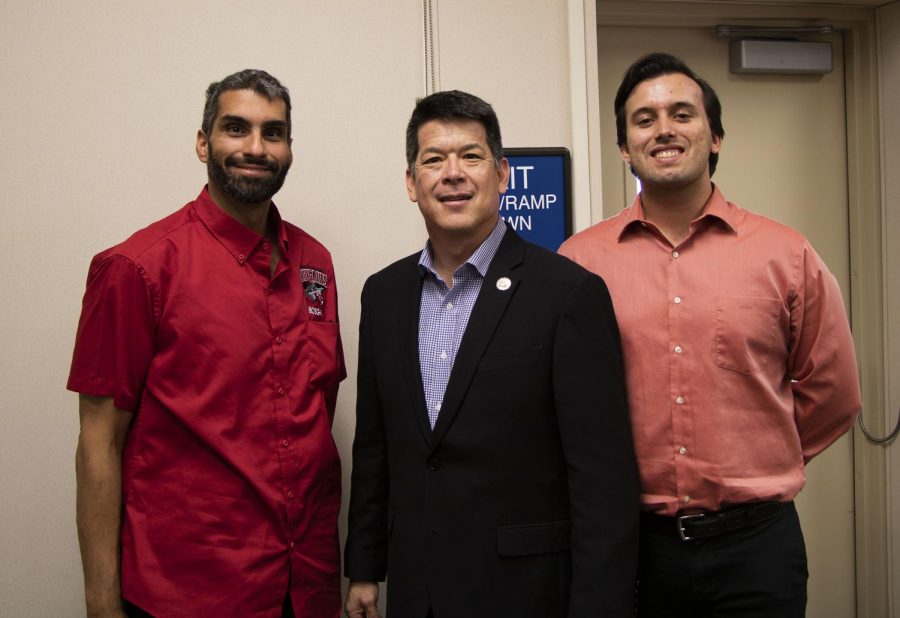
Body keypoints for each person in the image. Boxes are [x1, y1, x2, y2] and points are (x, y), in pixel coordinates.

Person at [559, 53, 862, 617]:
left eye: (682, 114)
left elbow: (835, 392)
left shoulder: (784, 254)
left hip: (756, 549)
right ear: (624, 147)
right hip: (632, 548)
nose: (664, 130)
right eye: (643, 120)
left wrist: (761, 452)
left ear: (715, 136)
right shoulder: (580, 263)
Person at [342, 90, 639, 618]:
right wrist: (365, 568)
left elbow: (602, 481)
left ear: (502, 174)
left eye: (471, 157)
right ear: (412, 184)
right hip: (418, 591)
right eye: (433, 160)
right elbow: (375, 446)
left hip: (525, 592)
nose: (452, 174)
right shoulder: (383, 295)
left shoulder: (567, 294)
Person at [69, 69, 345, 617]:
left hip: (305, 584)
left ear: (290, 148)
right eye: (235, 128)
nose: (255, 147)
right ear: (203, 143)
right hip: (191, 590)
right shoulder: (137, 268)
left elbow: (317, 412)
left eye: (273, 133)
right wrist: (101, 606)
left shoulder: (315, 263)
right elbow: (99, 444)